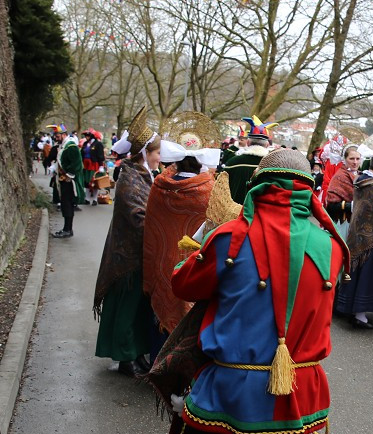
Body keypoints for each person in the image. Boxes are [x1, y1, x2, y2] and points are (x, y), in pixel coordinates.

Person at [170, 149, 348, 434]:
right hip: (297, 385)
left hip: (229, 383)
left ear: (258, 186)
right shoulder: (331, 244)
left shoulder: (230, 237)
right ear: (309, 187)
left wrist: (201, 243)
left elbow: (183, 284)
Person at [93, 111, 160, 376]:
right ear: (145, 152)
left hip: (139, 256)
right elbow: (139, 218)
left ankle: (135, 354)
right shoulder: (131, 179)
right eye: (156, 153)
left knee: (138, 310)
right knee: (127, 309)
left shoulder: (143, 175)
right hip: (128, 259)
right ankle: (125, 357)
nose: (160, 157)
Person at [143, 140, 217, 337]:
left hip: (163, 262)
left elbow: (150, 228)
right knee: (192, 325)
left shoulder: (159, 187)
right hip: (194, 266)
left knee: (160, 324)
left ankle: (157, 362)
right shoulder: (210, 191)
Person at [335, 160, 373, 329]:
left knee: (356, 274)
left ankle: (350, 310)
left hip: (358, 234)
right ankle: (360, 316)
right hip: (372, 238)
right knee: (366, 277)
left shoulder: (361, 180)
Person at [223, 117, 274, 203]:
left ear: (248, 143)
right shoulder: (275, 166)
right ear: (267, 144)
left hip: (235, 213)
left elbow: (221, 191)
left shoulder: (232, 163)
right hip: (262, 214)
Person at [324, 144, 362, 238]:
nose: (355, 162)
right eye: (352, 158)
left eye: (358, 159)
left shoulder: (361, 175)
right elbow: (331, 205)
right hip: (343, 223)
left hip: (358, 222)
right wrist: (350, 206)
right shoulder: (340, 176)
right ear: (345, 159)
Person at [52, 133, 82, 238]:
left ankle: (68, 229)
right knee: (65, 204)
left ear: (64, 134)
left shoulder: (71, 146)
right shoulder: (63, 145)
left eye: (57, 135)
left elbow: (77, 163)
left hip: (68, 181)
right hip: (63, 179)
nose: (55, 137)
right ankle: (66, 228)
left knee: (67, 204)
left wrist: (69, 174)